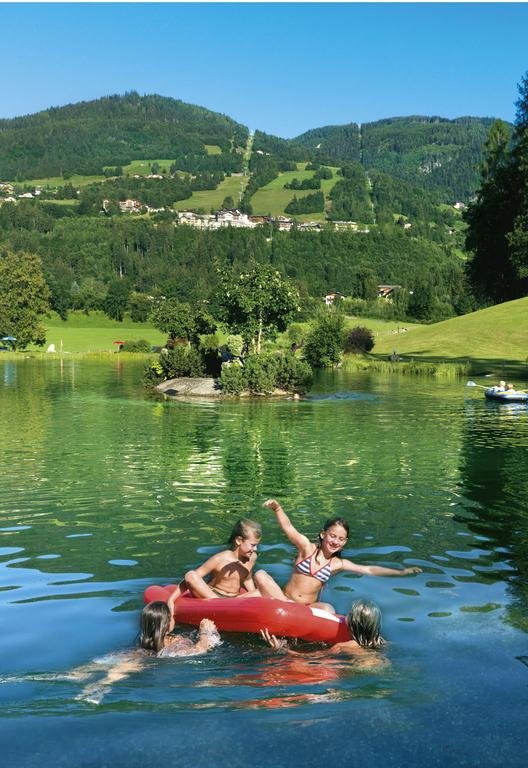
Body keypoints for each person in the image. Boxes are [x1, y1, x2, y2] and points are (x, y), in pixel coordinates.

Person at [254, 499, 421, 612]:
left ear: (345, 542)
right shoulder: (306, 548)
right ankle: (286, 605)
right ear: (322, 534)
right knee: (260, 575)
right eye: (332, 536)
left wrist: (401, 572)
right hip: (284, 599)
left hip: (307, 608)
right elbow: (289, 528)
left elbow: (369, 569)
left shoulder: (338, 564)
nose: (335, 541)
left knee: (328, 609)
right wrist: (278, 508)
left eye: (341, 539)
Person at [77, 592, 221, 704]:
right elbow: (200, 650)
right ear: (167, 623)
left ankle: (78, 674)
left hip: (135, 653)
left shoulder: (143, 641)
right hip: (156, 658)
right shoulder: (176, 641)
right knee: (127, 668)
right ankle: (103, 685)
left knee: (118, 664)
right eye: (171, 617)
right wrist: (205, 632)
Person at [260, 599, 387, 668]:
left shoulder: (344, 646)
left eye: (349, 613)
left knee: (297, 665)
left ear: (353, 622)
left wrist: (281, 649)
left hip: (359, 670)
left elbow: (312, 658)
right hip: (381, 665)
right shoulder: (379, 641)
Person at [175, 518, 263, 600]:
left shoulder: (252, 557)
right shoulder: (221, 558)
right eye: (253, 545)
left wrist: (254, 598)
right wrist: (171, 600)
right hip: (213, 596)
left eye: (256, 545)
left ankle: (227, 605)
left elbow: (247, 578)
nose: (255, 549)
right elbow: (191, 578)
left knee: (263, 590)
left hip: (234, 599)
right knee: (191, 575)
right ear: (239, 541)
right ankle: (221, 604)